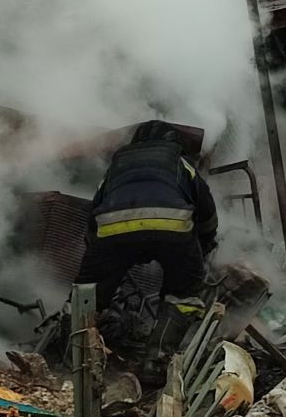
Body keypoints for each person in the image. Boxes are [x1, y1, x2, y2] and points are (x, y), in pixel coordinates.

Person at [75, 120, 218, 313]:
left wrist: (96, 253)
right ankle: (164, 343)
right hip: (173, 229)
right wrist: (204, 245)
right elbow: (207, 210)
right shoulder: (182, 163)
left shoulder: (116, 168)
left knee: (88, 292)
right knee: (183, 295)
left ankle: (73, 336)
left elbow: (95, 210)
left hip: (113, 229)